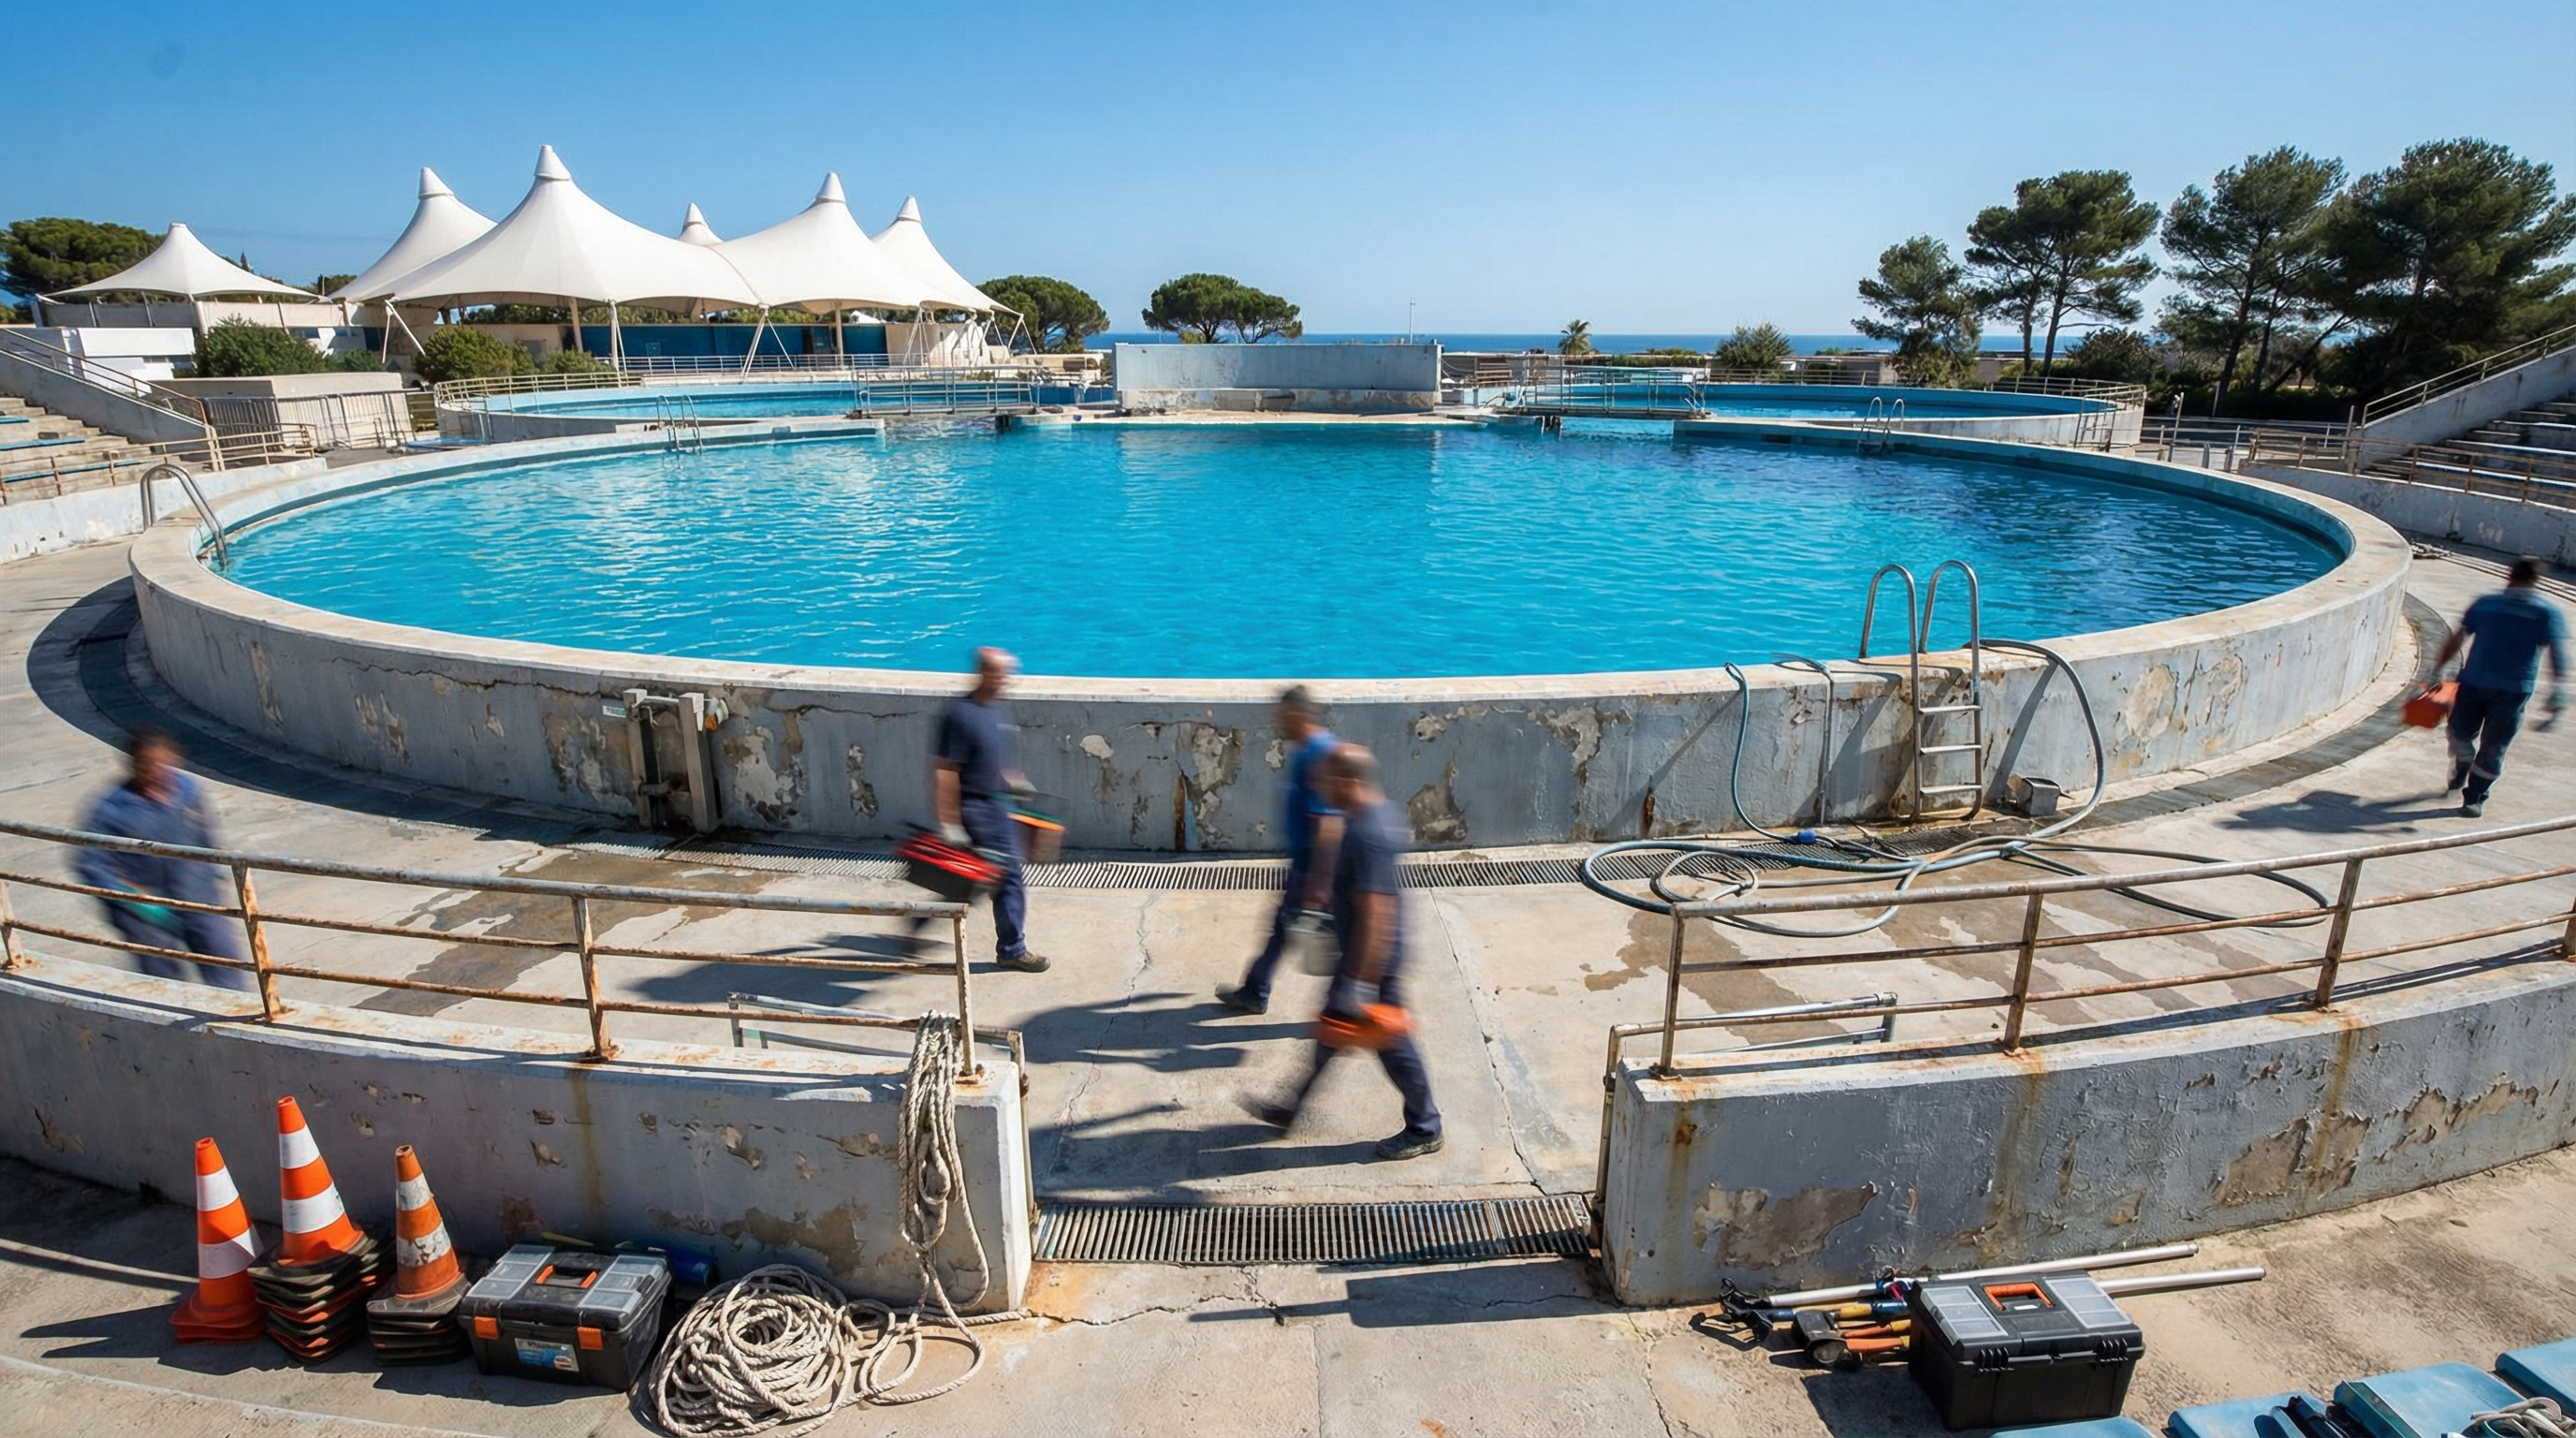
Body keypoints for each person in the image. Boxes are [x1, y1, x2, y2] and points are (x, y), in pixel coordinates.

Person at [1245, 744, 1442, 1161]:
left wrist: (1359, 983)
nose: (1322, 788)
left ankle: (1425, 1127)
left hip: (1372, 965)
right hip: (1359, 959)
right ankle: (1291, 1108)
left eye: (1328, 781)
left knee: (1393, 1045)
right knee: (1330, 1033)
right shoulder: (1365, 816)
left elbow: (1377, 912)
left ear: (1349, 781)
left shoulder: (1369, 833)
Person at [74, 726, 253, 991]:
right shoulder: (111, 810)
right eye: (146, 764)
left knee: (227, 970)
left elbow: (206, 837)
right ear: (133, 765)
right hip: (144, 912)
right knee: (165, 983)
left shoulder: (189, 791)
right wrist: (132, 898)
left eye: (162, 763)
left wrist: (215, 876)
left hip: (199, 897)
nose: (155, 771)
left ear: (174, 758)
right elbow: (90, 864)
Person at [1218, 685, 1341, 1015]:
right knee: (1285, 928)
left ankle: (1352, 1004)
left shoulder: (1317, 754)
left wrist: (1320, 880)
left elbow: (1328, 821)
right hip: (1305, 862)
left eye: (1282, 716)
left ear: (1298, 715)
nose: (1277, 722)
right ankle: (1256, 990)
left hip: (1314, 864)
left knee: (1334, 937)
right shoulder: (1307, 750)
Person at [927, 648, 1049, 972]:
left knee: (974, 879)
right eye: (1002, 673)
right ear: (985, 673)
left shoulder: (996, 710)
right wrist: (950, 822)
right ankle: (1012, 949)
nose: (1007, 679)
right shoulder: (960, 714)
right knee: (1008, 877)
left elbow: (995, 759)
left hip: (999, 805)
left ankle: (918, 921)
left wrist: (1016, 782)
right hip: (976, 807)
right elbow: (946, 770)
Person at [2431, 555, 2566, 818]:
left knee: (2460, 733)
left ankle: (2472, 788)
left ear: (2510, 574)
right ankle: (2472, 788)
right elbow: (2556, 654)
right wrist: (2557, 689)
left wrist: (2438, 669)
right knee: (2494, 746)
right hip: (2510, 689)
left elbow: (2456, 639)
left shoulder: (2488, 604)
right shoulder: (2544, 611)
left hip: (2478, 684)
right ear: (2537, 580)